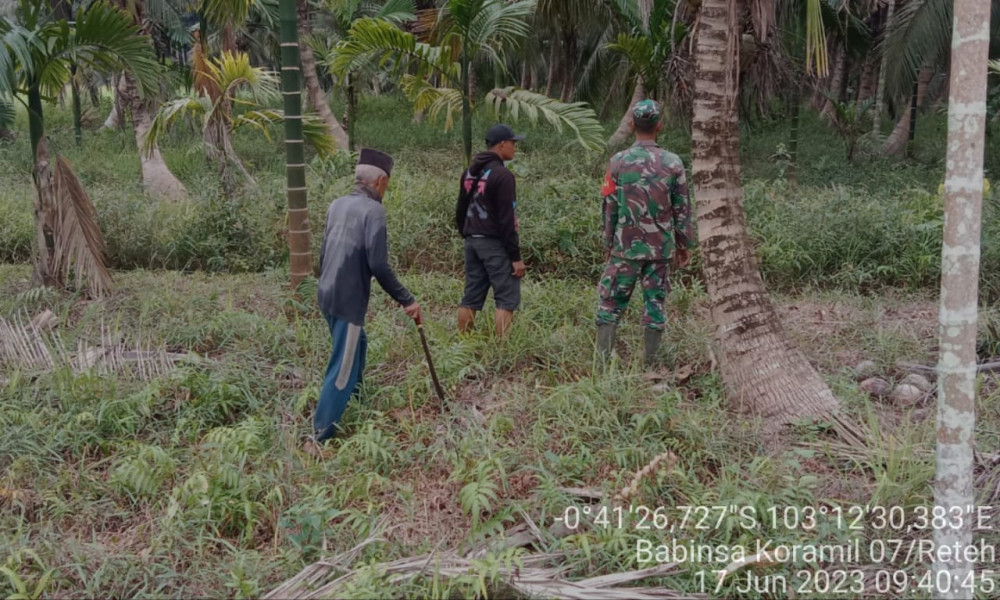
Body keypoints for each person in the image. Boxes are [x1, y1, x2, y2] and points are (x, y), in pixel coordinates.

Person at [314, 148, 421, 443]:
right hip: (348, 299)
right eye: (388, 183)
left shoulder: (337, 204)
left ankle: (359, 402)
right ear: (380, 181)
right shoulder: (374, 211)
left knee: (358, 343)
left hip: (326, 292)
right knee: (342, 366)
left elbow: (323, 252)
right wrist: (407, 299)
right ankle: (321, 435)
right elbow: (378, 264)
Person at [596, 99, 694, 366]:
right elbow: (682, 209)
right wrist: (683, 245)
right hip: (660, 249)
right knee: (655, 306)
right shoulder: (673, 163)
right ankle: (650, 366)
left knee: (610, 304)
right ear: (659, 125)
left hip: (624, 248)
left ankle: (602, 365)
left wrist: (608, 242)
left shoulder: (617, 162)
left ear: (631, 124)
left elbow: (610, 206)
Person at [455, 124, 527, 337]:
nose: (515, 147)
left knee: (471, 295)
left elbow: (460, 209)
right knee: (506, 296)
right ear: (502, 144)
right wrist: (515, 256)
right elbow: (507, 220)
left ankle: (463, 343)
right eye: (513, 143)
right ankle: (503, 350)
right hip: (494, 243)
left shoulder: (469, 172)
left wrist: (467, 235)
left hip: (472, 241)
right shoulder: (502, 175)